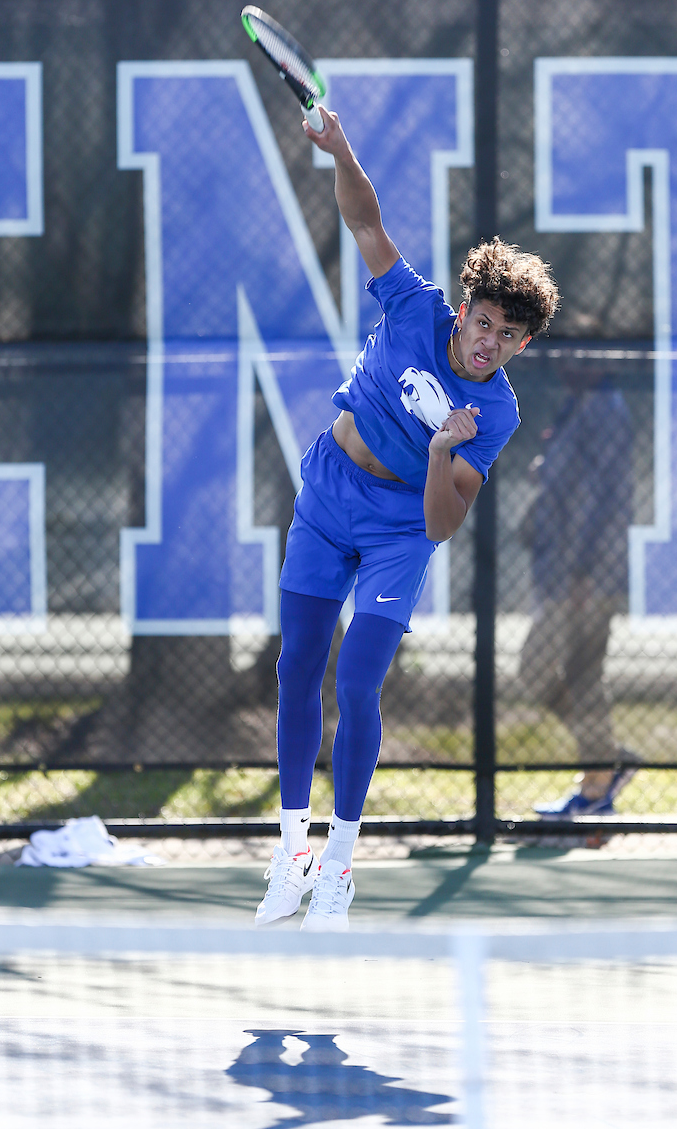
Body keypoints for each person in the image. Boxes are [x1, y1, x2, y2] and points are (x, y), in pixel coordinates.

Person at [255, 106, 559, 931]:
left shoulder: (494, 415)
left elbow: (440, 527)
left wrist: (436, 454)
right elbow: (364, 218)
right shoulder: (413, 305)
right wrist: (339, 145)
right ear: (463, 312)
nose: (490, 343)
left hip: (398, 528)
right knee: (297, 669)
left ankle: (340, 868)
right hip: (327, 493)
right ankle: (292, 854)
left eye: (509, 336)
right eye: (484, 323)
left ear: (522, 347)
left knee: (356, 683)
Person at [519, 364, 640, 817]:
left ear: (601, 363)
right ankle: (607, 760)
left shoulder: (606, 410)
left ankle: (597, 786)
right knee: (550, 671)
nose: (567, 365)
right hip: (561, 569)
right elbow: (574, 480)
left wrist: (586, 572)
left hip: (586, 574)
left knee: (570, 670)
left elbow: (612, 498)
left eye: (581, 356)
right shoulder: (578, 406)